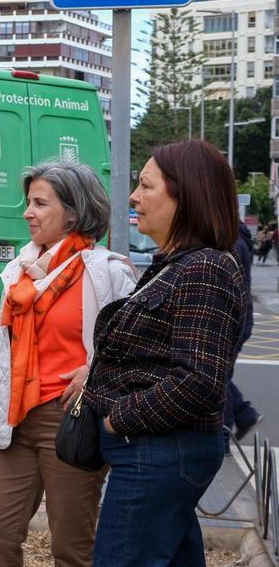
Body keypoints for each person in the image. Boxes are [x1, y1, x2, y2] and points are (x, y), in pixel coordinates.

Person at [85, 140, 246, 565]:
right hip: (158, 453)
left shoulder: (205, 269)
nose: (134, 197)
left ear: (185, 195)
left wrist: (119, 418)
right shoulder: (179, 264)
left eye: (146, 186)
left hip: (157, 453)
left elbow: (199, 380)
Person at [0, 160, 138, 566]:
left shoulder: (108, 272)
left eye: (40, 203)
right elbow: (1, 348)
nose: (28, 212)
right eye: (29, 202)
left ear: (73, 211)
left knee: (71, 546)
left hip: (72, 420)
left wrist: (95, 374)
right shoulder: (19, 273)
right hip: (16, 417)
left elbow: (132, 353)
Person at [227, 221, 263, 446]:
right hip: (240, 318)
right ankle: (244, 415)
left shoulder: (232, 242)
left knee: (220, 376)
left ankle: (224, 433)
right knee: (222, 374)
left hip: (236, 320)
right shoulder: (236, 237)